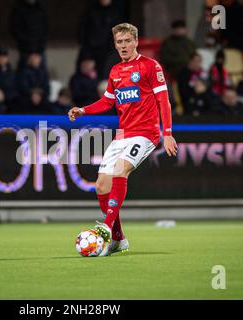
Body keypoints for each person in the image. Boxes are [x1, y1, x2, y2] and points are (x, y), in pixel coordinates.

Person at [68, 23, 177, 256]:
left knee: (120, 170)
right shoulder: (116, 71)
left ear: (136, 41)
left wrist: (167, 133)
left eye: (128, 41)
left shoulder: (150, 66)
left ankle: (106, 228)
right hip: (122, 134)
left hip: (146, 133)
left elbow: (163, 101)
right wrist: (84, 110)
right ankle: (118, 240)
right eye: (119, 42)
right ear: (115, 44)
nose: (124, 46)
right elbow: (107, 102)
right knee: (101, 185)